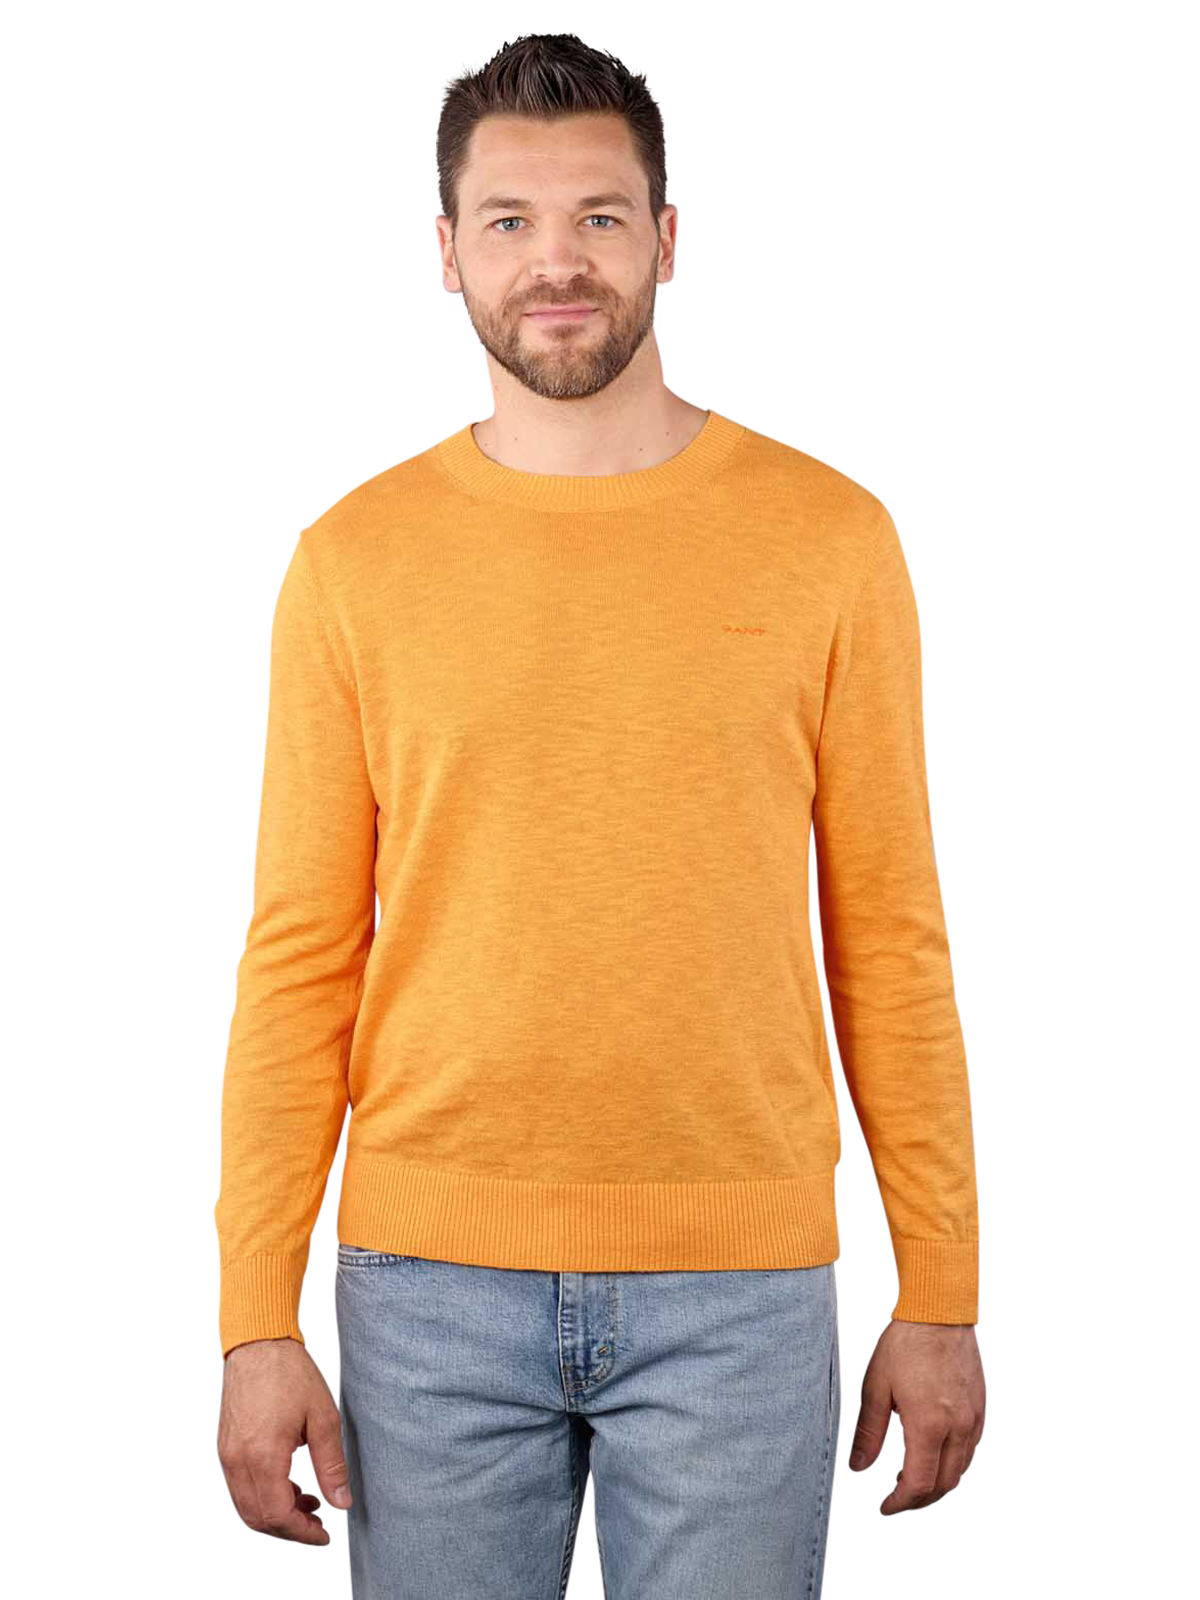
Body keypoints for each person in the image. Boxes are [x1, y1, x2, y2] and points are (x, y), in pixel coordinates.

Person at [216, 31, 985, 1598]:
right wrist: (252, 1318)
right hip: (423, 1286)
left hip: (742, 1283)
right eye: (509, 220)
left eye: (599, 217)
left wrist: (945, 1286)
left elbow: (890, 937)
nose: (556, 262)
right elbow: (298, 954)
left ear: (663, 238)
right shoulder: (357, 562)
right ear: (447, 251)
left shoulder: (827, 542)